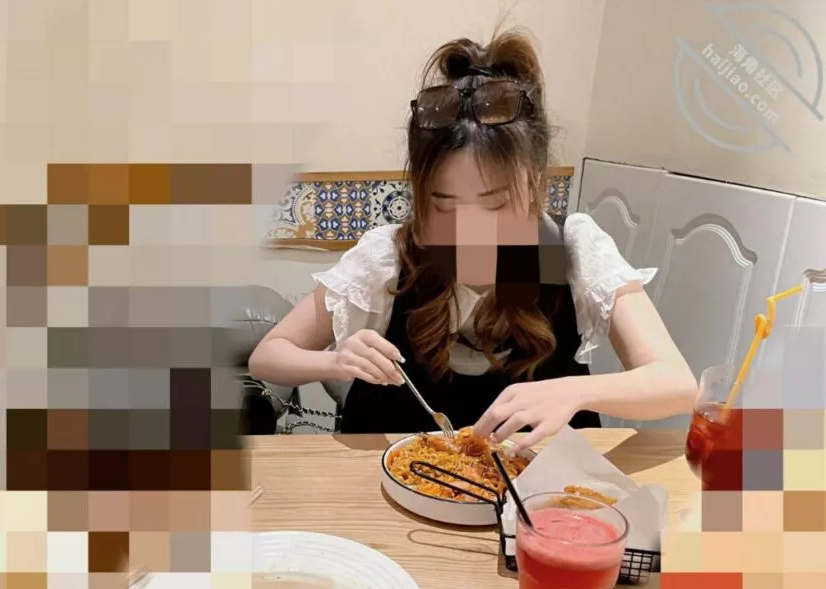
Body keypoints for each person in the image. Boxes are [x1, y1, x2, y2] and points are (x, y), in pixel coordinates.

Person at [248, 29, 697, 449]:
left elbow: (676, 383)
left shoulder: (572, 247)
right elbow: (267, 355)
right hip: (396, 484)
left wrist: (576, 392)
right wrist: (335, 361)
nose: (469, 234)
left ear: (536, 185)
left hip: (538, 489)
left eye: (495, 204)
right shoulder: (390, 254)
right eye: (443, 205)